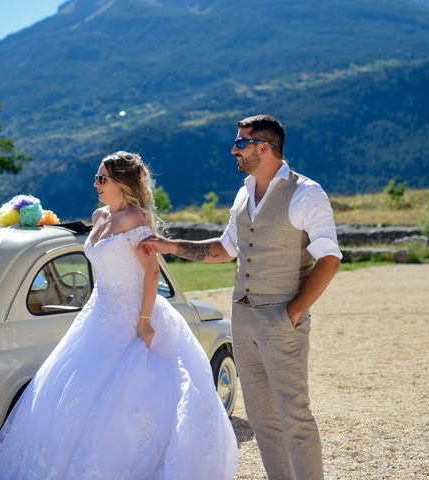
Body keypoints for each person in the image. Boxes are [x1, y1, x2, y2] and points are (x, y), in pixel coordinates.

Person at [0, 151, 238, 479]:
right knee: (72, 392)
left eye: (103, 178)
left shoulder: (135, 219)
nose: (96, 183)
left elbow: (151, 274)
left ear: (122, 183)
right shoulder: (99, 216)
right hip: (98, 312)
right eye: (97, 177)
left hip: (131, 315)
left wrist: (144, 322)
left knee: (128, 395)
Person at [138, 115, 342, 480]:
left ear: (264, 147)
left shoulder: (307, 193)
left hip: (281, 320)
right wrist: (168, 246)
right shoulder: (244, 191)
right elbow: (223, 250)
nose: (234, 149)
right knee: (263, 419)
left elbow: (330, 258)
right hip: (243, 319)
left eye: (241, 143)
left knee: (294, 416)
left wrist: (292, 313)